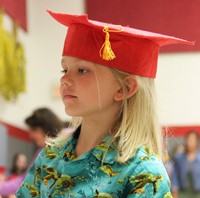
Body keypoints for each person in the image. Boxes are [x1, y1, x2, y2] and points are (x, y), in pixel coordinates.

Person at [16, 11, 193, 197]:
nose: (65, 80)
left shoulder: (144, 174)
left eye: (82, 70)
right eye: (64, 69)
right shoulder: (50, 156)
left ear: (123, 88)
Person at [0, 107, 65, 196]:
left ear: (43, 129)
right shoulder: (43, 151)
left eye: (33, 130)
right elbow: (26, 180)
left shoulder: (64, 143)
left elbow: (25, 181)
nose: (31, 135)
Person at [171, 131, 200, 198]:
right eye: (187, 140)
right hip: (183, 193)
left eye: (191, 140)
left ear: (197, 142)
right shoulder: (179, 158)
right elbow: (174, 176)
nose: (189, 143)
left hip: (197, 193)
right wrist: (174, 191)